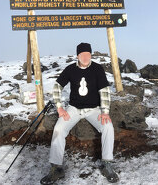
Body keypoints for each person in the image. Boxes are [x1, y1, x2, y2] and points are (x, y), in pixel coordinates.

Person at [40, 43, 119, 184]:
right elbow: (57, 87)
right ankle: (56, 168)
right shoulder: (71, 69)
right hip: (74, 108)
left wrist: (105, 112)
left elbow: (105, 91)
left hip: (94, 109)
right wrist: (60, 108)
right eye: (82, 54)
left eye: (88, 54)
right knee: (59, 129)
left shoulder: (97, 69)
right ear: (78, 56)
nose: (86, 57)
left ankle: (107, 164)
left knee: (108, 127)